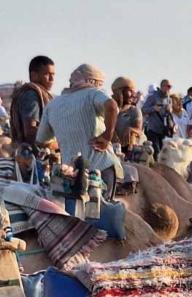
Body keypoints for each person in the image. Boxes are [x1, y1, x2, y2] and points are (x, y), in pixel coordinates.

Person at [36, 64, 121, 194]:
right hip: (99, 168)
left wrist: (65, 140)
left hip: (69, 173)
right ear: (92, 82)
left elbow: (42, 140)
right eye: (100, 84)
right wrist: (107, 135)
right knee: (103, 210)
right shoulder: (93, 93)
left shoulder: (52, 104)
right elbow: (111, 106)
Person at [10, 55, 55, 146]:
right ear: (34, 75)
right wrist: (55, 140)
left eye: (53, 74)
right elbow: (30, 132)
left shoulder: (34, 93)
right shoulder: (32, 95)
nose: (51, 79)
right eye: (47, 74)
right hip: (33, 155)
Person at [111, 77, 143, 153]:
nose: (133, 95)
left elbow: (139, 130)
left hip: (130, 150)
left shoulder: (134, 110)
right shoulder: (109, 109)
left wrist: (130, 129)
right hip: (111, 149)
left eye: (133, 92)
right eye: (130, 91)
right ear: (120, 92)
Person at [142, 79, 173, 152]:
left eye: (170, 87)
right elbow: (143, 109)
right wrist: (154, 108)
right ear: (162, 86)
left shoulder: (169, 99)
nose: (169, 88)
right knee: (156, 152)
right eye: (168, 86)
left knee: (164, 152)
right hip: (153, 130)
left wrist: (170, 110)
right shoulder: (153, 97)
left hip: (164, 130)